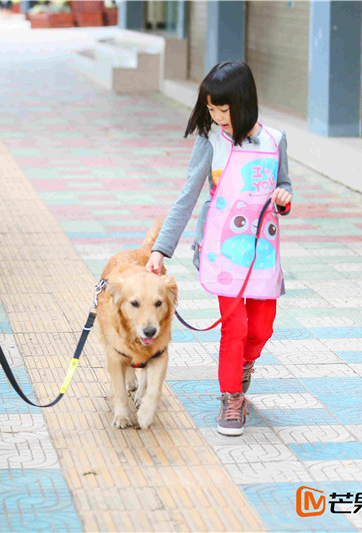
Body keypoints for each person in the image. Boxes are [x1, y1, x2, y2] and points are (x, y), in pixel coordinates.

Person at [146, 61, 293, 436]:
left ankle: (244, 363)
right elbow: (187, 196)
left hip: (262, 253)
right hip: (221, 250)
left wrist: (283, 197)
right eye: (211, 110)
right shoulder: (210, 141)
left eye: (223, 110)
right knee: (235, 326)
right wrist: (161, 249)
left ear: (244, 102)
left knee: (261, 328)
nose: (216, 117)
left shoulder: (275, 140)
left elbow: (285, 186)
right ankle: (231, 397)